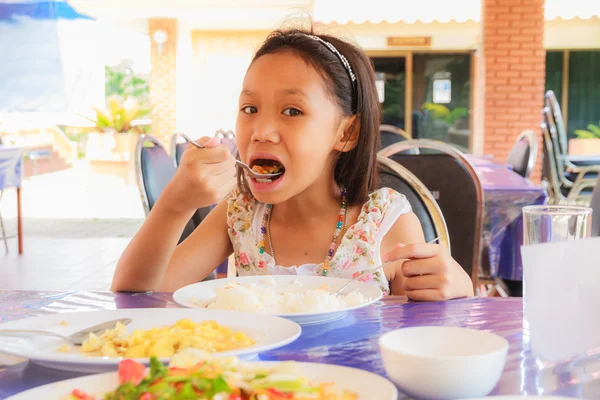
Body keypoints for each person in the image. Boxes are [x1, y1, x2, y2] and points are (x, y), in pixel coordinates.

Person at [112, 28, 474, 300]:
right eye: (249, 109)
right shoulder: (240, 216)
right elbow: (136, 294)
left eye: (292, 111)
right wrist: (177, 202)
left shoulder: (383, 224)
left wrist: (458, 288)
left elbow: (418, 333)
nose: (262, 131)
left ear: (347, 133)